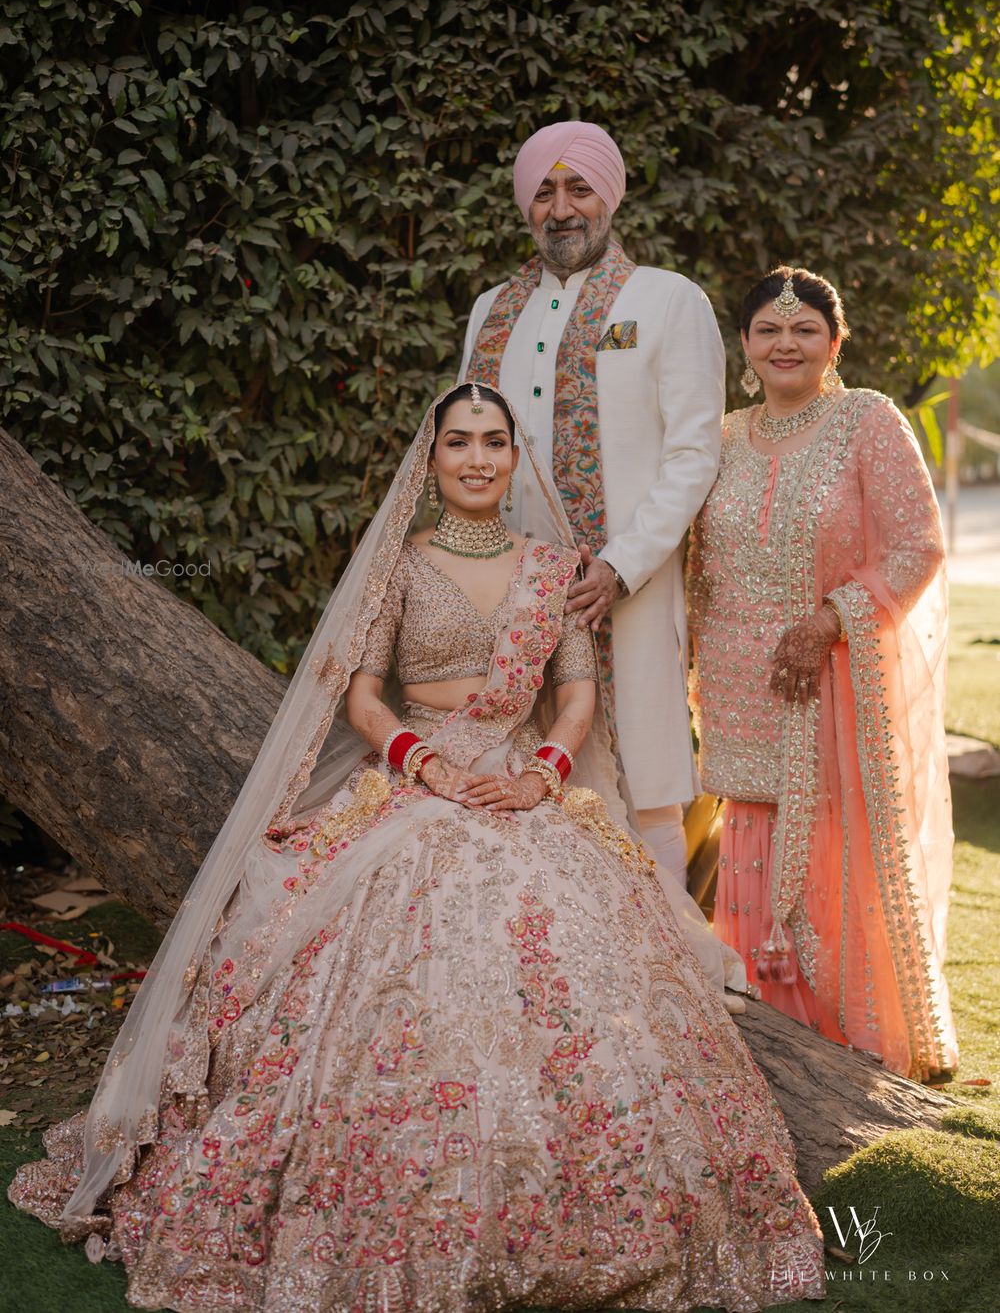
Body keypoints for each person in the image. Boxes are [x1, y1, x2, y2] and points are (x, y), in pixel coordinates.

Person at [11, 383, 824, 1311]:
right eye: (459, 443)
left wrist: (541, 777)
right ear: (431, 460)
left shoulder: (555, 568)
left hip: (521, 782)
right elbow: (363, 698)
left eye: (493, 442)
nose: (478, 459)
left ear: (514, 457)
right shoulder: (399, 566)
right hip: (418, 777)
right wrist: (425, 763)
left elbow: (575, 697)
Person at [687, 267, 958, 1082]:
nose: (786, 344)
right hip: (736, 687)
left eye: (805, 329)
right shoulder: (720, 436)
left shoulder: (866, 420)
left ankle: (848, 1038)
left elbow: (918, 546)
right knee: (749, 843)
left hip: (830, 684)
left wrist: (830, 620)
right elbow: (694, 560)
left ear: (834, 343)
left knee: (832, 846)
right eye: (769, 329)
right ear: (744, 343)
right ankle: (765, 1038)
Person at [461, 121, 726, 890]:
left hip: (628, 588)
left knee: (648, 789)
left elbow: (693, 454)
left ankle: (672, 948)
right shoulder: (490, 312)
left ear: (608, 195)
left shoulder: (668, 300)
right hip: (511, 595)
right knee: (515, 777)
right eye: (544, 192)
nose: (561, 208)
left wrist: (620, 564)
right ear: (526, 206)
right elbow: (465, 448)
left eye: (578, 188)